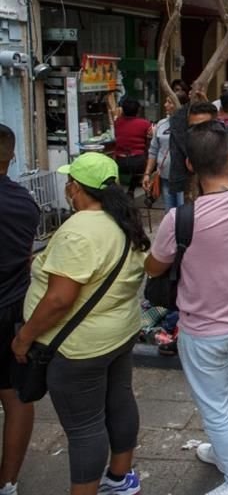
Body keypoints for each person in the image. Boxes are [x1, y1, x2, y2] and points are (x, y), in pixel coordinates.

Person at [145, 121, 228, 495]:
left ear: (187, 167)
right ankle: (222, 452)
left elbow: (153, 267)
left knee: (214, 406)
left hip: (203, 331)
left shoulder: (179, 219)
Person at [17, 152, 149, 495]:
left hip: (79, 349)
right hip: (118, 334)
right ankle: (121, 479)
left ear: (75, 188)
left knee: (85, 427)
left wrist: (24, 336)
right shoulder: (124, 220)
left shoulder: (79, 229)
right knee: (119, 401)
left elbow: (60, 299)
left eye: (68, 183)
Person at [0, 125, 39, 495]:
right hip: (12, 311)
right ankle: (7, 482)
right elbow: (27, 256)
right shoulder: (26, 203)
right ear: (11, 158)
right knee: (15, 396)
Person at [143, 91, 190, 209]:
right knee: (169, 212)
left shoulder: (189, 125)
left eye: (170, 102)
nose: (165, 105)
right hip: (165, 176)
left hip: (183, 179)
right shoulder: (161, 124)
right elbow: (153, 150)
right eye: (166, 101)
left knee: (183, 212)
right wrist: (147, 173)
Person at [113, 98, 152, 197]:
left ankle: (122, 192)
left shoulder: (117, 122)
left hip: (120, 161)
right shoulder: (145, 123)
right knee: (150, 161)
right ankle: (131, 190)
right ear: (138, 110)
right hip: (138, 162)